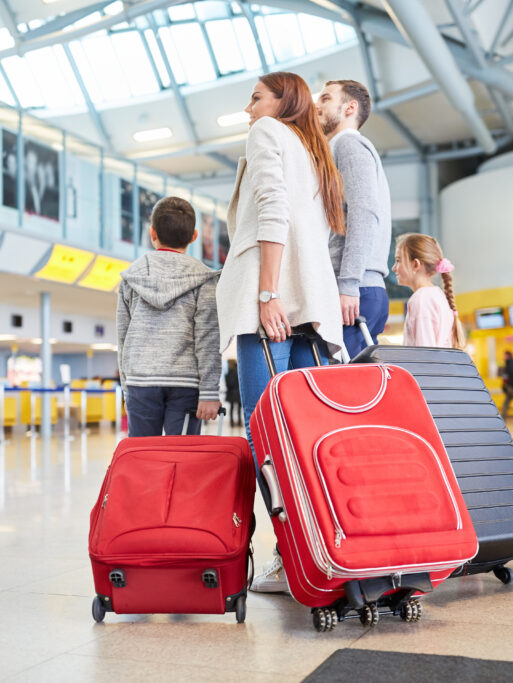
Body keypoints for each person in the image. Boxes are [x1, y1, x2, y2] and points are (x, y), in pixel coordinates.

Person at [216, 71, 346, 593]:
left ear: (281, 101)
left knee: (264, 433)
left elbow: (272, 212)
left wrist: (267, 293)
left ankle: (288, 557)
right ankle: (324, 548)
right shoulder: (311, 150)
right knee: (308, 434)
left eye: (255, 98)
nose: (249, 109)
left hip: (276, 302)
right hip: (312, 303)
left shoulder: (268, 134)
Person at [116, 196, 222, 437]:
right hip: (186, 385)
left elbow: (122, 337)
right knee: (182, 460)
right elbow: (208, 338)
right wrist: (209, 392)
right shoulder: (204, 280)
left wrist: (126, 386)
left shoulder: (131, 278)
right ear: (194, 236)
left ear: (152, 233)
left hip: (140, 382)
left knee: (143, 458)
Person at [316, 80, 392, 358]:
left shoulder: (347, 144)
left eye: (325, 98)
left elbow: (364, 212)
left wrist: (348, 283)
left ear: (350, 107)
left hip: (355, 288)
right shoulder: (339, 147)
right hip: (358, 287)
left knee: (344, 394)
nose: (316, 105)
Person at [392, 233, 466, 349]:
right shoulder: (436, 295)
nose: (394, 268)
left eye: (398, 260)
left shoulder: (421, 299)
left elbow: (424, 355)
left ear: (415, 264)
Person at [225, 359, 241, 426]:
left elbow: (229, 384)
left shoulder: (229, 373)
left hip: (232, 393)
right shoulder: (238, 372)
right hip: (238, 393)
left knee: (232, 408)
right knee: (238, 409)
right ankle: (239, 422)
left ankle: (232, 423)